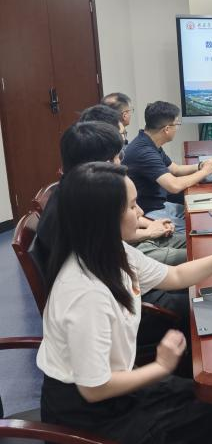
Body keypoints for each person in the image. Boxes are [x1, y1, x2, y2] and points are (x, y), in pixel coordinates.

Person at [37, 161, 212, 443]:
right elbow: (94, 388)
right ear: (105, 218)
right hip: (92, 417)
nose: (141, 213)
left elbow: (175, 276)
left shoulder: (110, 252)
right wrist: (161, 367)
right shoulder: (86, 293)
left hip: (117, 391)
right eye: (132, 206)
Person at [33, 122, 189, 355]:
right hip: (123, 306)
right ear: (98, 166)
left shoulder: (74, 198)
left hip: (122, 286)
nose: (121, 164)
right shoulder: (77, 214)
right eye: (116, 158)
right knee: (198, 304)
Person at [76, 108, 188, 265]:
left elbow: (131, 217)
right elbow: (117, 235)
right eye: (122, 134)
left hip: (138, 237)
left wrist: (150, 226)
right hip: (129, 250)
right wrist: (149, 232)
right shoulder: (94, 188)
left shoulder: (98, 176)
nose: (124, 143)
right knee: (198, 252)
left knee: (195, 241)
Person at [123, 101, 212, 234]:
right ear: (166, 129)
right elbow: (174, 185)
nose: (177, 128)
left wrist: (200, 166)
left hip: (160, 204)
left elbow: (175, 169)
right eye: (176, 124)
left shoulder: (149, 141)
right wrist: (205, 172)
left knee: (203, 216)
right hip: (149, 212)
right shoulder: (144, 151)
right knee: (198, 230)